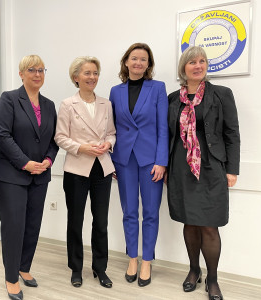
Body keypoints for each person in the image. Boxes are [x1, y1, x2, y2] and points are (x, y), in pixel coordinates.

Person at [166, 46, 240, 300]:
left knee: (209, 225)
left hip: (211, 166)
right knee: (189, 222)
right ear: (183, 68)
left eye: (202, 61)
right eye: (192, 62)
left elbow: (232, 133)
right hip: (181, 166)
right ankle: (193, 270)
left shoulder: (221, 94)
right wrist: (165, 167)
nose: (198, 66)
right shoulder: (172, 98)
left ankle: (213, 278)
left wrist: (232, 169)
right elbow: (168, 136)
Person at [0, 55, 59, 300]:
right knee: (14, 227)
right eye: (32, 69)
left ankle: (24, 267)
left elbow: (53, 140)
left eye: (41, 69)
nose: (37, 74)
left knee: (32, 225)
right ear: (21, 73)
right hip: (10, 175)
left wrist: (48, 161)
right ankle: (11, 278)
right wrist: (25, 163)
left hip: (40, 175)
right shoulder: (9, 99)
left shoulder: (49, 105)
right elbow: (2, 135)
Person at [109, 43, 169, 287]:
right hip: (124, 160)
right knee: (129, 212)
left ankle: (147, 261)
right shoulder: (115, 91)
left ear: (148, 64)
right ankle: (132, 258)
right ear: (126, 62)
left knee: (151, 213)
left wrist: (162, 161)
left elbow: (163, 128)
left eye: (143, 59)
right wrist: (111, 160)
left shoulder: (158, 88)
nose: (138, 63)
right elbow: (110, 127)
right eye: (134, 58)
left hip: (150, 160)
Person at [55, 57, 116, 289]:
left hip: (102, 168)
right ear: (76, 77)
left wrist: (107, 145)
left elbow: (112, 133)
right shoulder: (67, 104)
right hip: (77, 168)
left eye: (95, 73)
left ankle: (100, 268)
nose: (92, 77)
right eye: (87, 73)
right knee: (76, 221)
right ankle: (76, 269)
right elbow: (60, 137)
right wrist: (82, 147)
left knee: (101, 222)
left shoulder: (106, 103)